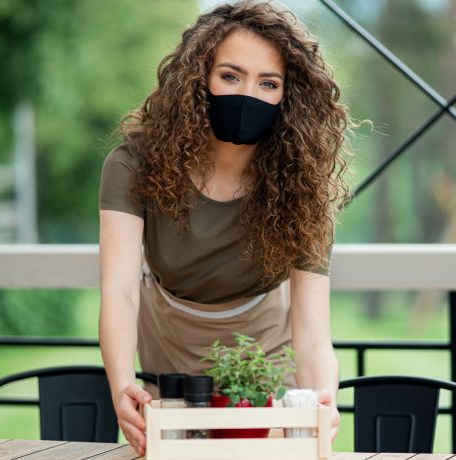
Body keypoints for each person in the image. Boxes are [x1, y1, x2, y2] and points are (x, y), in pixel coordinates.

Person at [98, 1, 353, 455]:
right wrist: (123, 386)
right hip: (168, 342)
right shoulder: (132, 164)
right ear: (199, 78)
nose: (248, 94)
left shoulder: (305, 188)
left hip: (268, 349)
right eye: (230, 76)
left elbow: (312, 331)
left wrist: (321, 406)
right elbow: (118, 291)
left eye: (268, 83)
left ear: (288, 97)